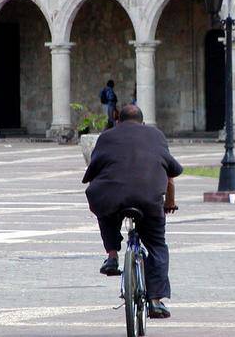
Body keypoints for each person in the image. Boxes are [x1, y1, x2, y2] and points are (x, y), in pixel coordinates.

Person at [82, 104, 182, 319]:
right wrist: (169, 204)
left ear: (118, 121)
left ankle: (111, 255)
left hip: (112, 196)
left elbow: (92, 172)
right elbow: (171, 175)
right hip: (148, 199)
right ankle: (155, 300)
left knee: (105, 211)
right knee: (157, 245)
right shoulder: (156, 135)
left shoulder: (107, 137)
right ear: (143, 122)